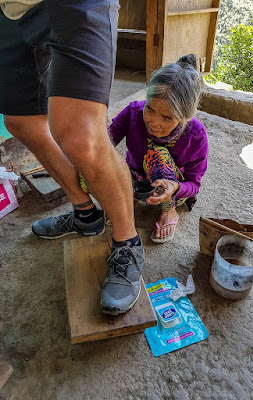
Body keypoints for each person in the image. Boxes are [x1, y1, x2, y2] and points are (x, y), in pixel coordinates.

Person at [0, 0, 144, 315]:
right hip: (10, 11)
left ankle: (128, 242)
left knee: (82, 140)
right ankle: (86, 215)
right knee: (20, 121)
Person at [101, 54, 208, 243]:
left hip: (173, 189)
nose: (153, 123)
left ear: (184, 117)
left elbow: (193, 185)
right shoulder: (133, 112)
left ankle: (169, 210)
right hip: (135, 179)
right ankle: (129, 197)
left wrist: (175, 187)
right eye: (149, 109)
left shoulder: (196, 135)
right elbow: (104, 145)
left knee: (157, 156)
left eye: (167, 117)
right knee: (93, 159)